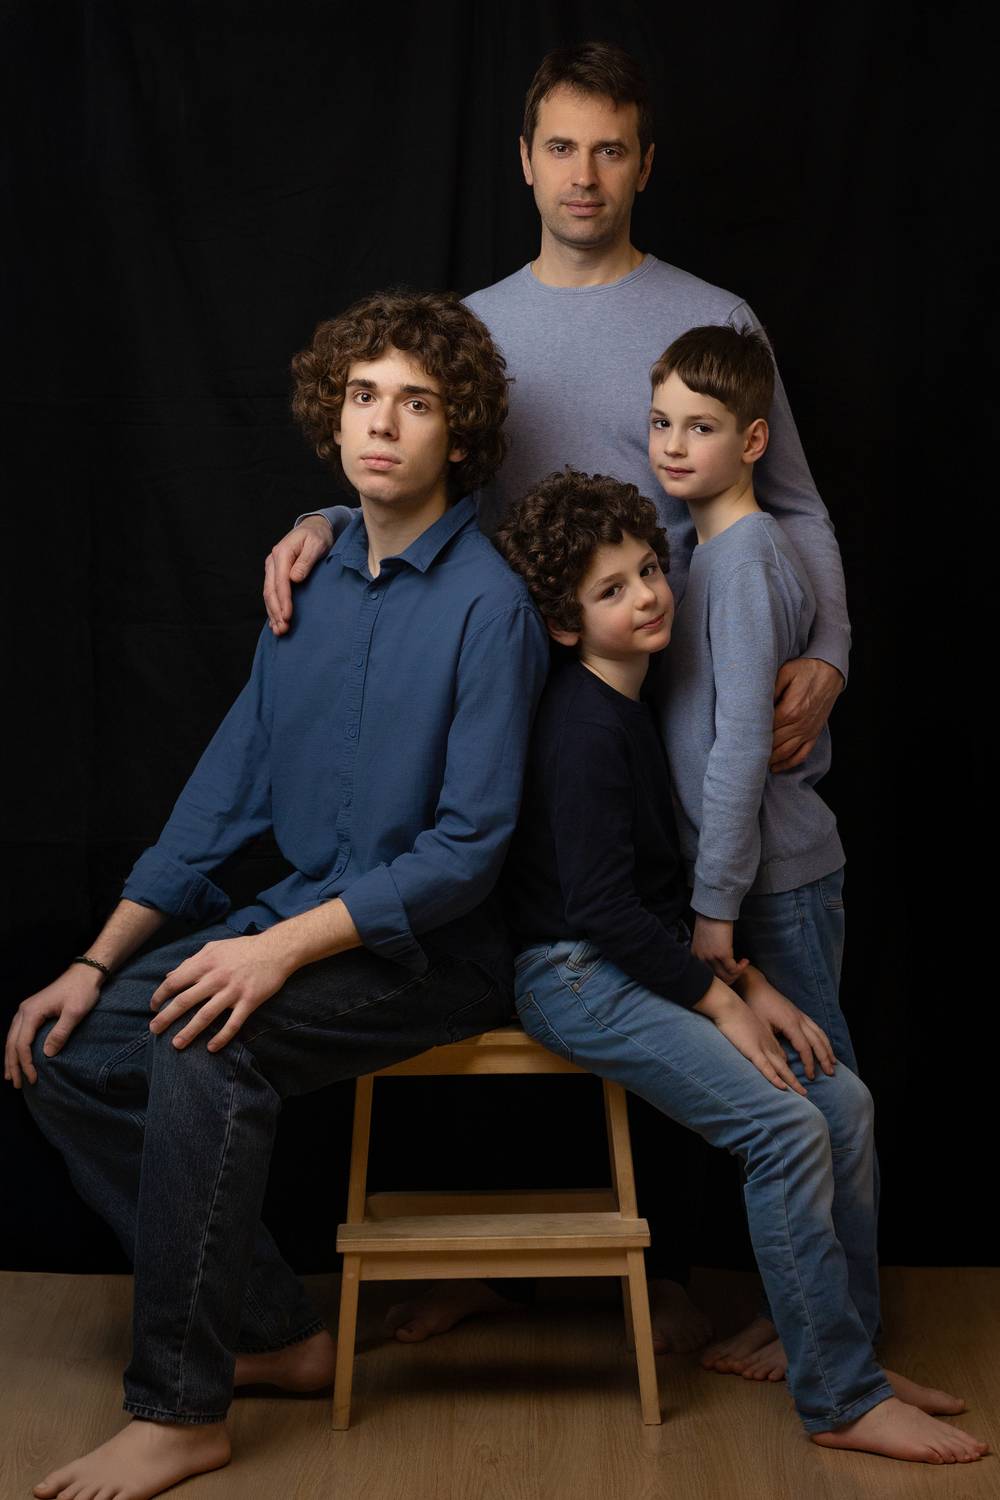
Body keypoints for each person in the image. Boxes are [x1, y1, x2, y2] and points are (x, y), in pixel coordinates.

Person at [257, 41, 850, 1351]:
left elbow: (795, 505)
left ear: (645, 165)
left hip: (700, 715)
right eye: (562, 148)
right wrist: (323, 519)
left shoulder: (714, 315)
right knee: (536, 970)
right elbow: (412, 474)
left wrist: (831, 654)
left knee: (719, 988)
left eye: (611, 149)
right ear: (525, 161)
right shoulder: (480, 327)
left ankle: (747, 1295)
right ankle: (511, 1270)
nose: (585, 175)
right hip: (533, 716)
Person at [4, 290, 549, 1500]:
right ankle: (271, 1334)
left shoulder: (490, 606)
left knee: (208, 1043)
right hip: (299, 917)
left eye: (417, 403)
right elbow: (220, 803)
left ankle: (180, 1411)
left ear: (459, 434)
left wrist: (279, 951)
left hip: (435, 952)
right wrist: (94, 963)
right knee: (65, 1049)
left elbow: (467, 851)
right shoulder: (303, 585)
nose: (383, 425)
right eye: (363, 396)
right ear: (330, 415)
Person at [493, 469, 986, 1464]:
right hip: (573, 974)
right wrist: (722, 1004)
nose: (647, 595)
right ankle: (838, 1398)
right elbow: (600, 913)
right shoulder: (581, 729)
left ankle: (848, 1349)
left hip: (635, 956)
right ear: (563, 624)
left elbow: (650, 904)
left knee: (842, 1103)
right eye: (611, 589)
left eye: (648, 569)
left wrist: (750, 981)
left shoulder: (631, 704)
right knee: (783, 1128)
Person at [649, 324, 860, 1384]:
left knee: (826, 1102)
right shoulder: (705, 554)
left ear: (753, 441)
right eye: (660, 423)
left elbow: (740, 749)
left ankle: (847, 1332)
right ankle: (809, 1315)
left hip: (772, 881)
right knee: (806, 1100)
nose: (673, 445)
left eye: (701, 427)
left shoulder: (742, 562)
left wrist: (715, 904)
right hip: (746, 877)